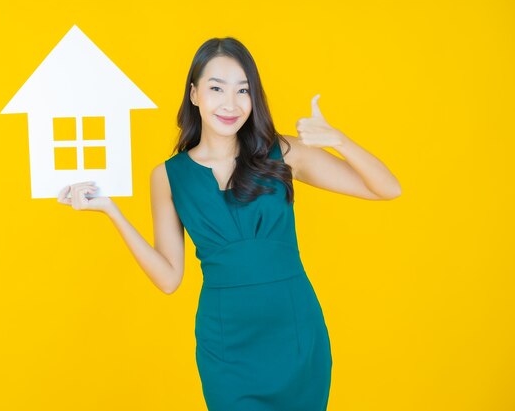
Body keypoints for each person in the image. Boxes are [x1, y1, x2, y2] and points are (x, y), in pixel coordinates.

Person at [58, 37, 401, 411]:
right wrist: (112, 211)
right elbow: (169, 279)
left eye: (243, 90)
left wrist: (340, 141)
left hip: (296, 334)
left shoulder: (281, 153)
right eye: (216, 88)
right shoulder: (169, 176)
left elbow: (387, 189)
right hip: (227, 345)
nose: (230, 103)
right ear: (194, 94)